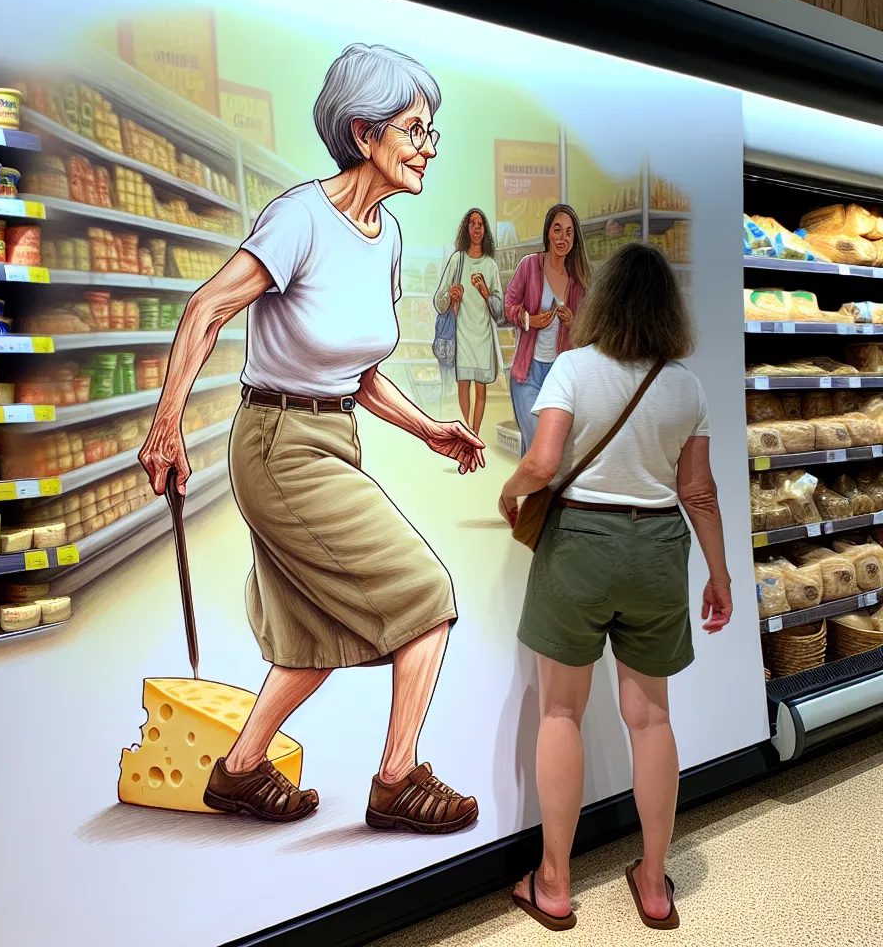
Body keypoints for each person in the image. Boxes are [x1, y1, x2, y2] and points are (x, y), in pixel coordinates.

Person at [139, 43, 483, 834]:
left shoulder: (387, 237)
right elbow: (206, 310)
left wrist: (429, 428)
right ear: (364, 134)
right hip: (278, 445)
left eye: (433, 133)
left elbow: (358, 374)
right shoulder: (300, 217)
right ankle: (397, 781)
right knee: (427, 599)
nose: (429, 147)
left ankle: (238, 773)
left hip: (335, 439)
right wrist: (167, 429)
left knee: (311, 637)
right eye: (415, 130)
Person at [498, 242, 733, 931]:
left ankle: (555, 884)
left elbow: (543, 462)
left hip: (578, 547)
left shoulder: (572, 367)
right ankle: (655, 885)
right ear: (667, 309)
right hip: (658, 551)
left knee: (560, 714)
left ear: (602, 301)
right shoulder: (685, 386)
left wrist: (512, 492)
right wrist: (717, 575)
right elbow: (699, 490)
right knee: (653, 719)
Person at [504, 204, 590, 457]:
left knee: (545, 447)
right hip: (526, 372)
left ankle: (530, 495)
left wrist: (573, 323)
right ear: (548, 233)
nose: (562, 238)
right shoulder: (530, 265)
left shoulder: (578, 280)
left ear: (574, 239)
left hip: (560, 373)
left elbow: (587, 329)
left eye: (569, 233)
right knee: (536, 440)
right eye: (557, 230)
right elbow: (509, 306)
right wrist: (530, 320)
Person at [434, 208, 504, 434]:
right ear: (466, 229)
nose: (476, 228)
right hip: (461, 333)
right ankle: (466, 435)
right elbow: (438, 300)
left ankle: (475, 434)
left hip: (483, 336)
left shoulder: (491, 266)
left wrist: (485, 291)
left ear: (485, 230)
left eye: (480, 224)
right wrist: (450, 296)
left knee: (481, 390)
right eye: (472, 224)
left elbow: (499, 309)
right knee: (463, 386)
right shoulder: (457, 260)